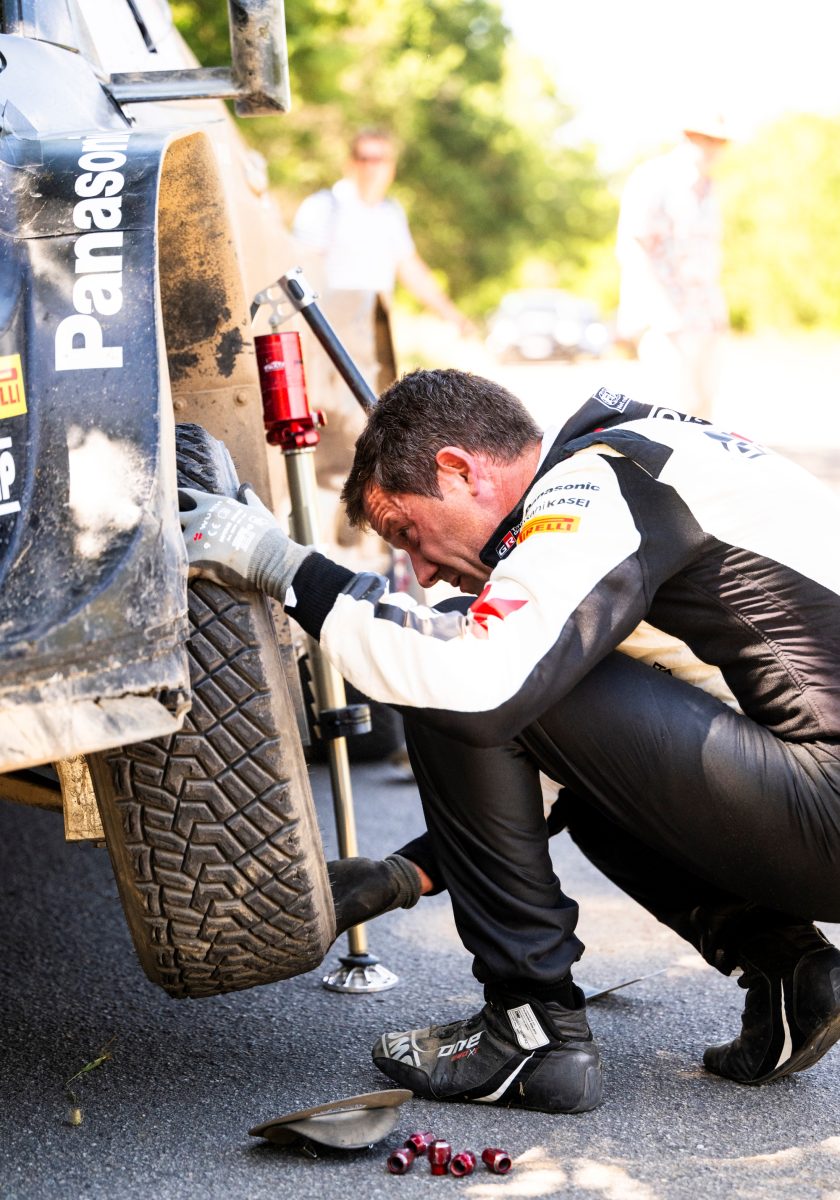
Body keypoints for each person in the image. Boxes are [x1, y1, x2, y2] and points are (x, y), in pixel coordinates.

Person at [179, 370, 840, 1115]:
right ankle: (790, 970)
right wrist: (405, 875)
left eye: (408, 534)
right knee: (548, 710)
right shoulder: (643, 454)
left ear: (459, 470)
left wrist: (282, 565)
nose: (422, 570)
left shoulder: (603, 481)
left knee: (460, 654)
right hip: (817, 795)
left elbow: (478, 686)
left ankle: (530, 1027)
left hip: (826, 806)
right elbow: (583, 765)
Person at [292, 129, 473, 335]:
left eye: (379, 159)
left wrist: (454, 318)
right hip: (327, 330)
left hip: (374, 329)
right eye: (363, 158)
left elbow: (410, 269)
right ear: (350, 163)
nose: (371, 167)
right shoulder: (323, 206)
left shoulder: (391, 213)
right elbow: (299, 270)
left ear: (391, 167)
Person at [616, 113, 730, 421]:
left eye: (720, 141)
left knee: (704, 414)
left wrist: (718, 314)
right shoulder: (654, 177)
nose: (714, 147)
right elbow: (634, 247)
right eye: (707, 139)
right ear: (688, 136)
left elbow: (709, 256)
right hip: (665, 318)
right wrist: (661, 314)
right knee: (671, 414)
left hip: (705, 317)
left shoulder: (710, 188)